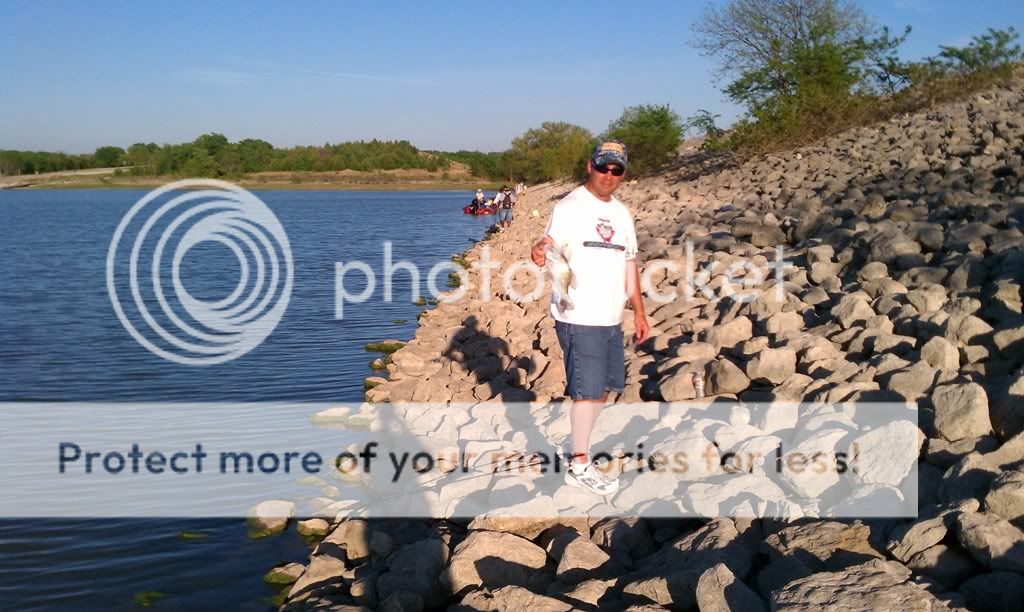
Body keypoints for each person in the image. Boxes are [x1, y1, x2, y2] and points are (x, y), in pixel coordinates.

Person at [531, 141, 649, 495]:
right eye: (603, 168)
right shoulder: (570, 206)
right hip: (578, 314)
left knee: (604, 389)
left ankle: (577, 448)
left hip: (611, 318)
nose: (609, 176)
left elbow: (629, 263)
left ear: (623, 173)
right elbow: (545, 246)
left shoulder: (623, 214)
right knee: (587, 391)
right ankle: (579, 464)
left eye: (617, 170)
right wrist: (537, 251)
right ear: (590, 166)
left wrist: (639, 311)